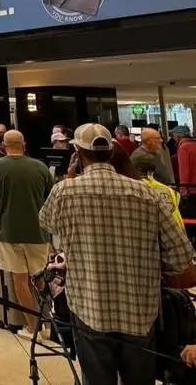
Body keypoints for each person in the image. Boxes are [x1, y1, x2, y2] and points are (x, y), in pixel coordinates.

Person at [40, 123, 196, 385]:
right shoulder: (148, 193)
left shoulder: (64, 191)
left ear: (78, 152)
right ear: (112, 151)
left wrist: (69, 177)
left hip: (89, 307)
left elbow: (47, 224)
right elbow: (180, 257)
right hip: (140, 311)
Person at [0, 130, 52, 339]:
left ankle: (32, 326)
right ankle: (47, 323)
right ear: (24, 144)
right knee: (39, 277)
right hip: (39, 231)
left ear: (3, 145)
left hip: (9, 231)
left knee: (19, 279)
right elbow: (49, 197)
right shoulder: (40, 167)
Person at [174, 126, 195, 198]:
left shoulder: (183, 147)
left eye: (174, 135)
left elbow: (184, 169)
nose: (174, 138)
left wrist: (183, 189)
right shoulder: (193, 144)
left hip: (191, 188)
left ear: (178, 136)